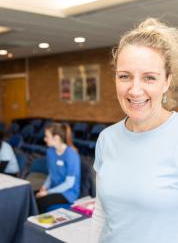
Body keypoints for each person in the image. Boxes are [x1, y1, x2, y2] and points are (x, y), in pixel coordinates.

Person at [90, 18, 178, 243]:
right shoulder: (106, 139)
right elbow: (101, 212)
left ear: (167, 81)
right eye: (125, 76)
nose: (135, 89)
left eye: (149, 77)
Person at [36, 122, 81, 213]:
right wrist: (45, 186)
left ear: (56, 138)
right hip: (53, 188)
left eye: (47, 136)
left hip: (68, 193)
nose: (45, 139)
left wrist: (47, 192)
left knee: (39, 202)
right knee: (32, 197)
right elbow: (51, 174)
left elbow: (69, 184)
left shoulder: (71, 155)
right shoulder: (50, 152)